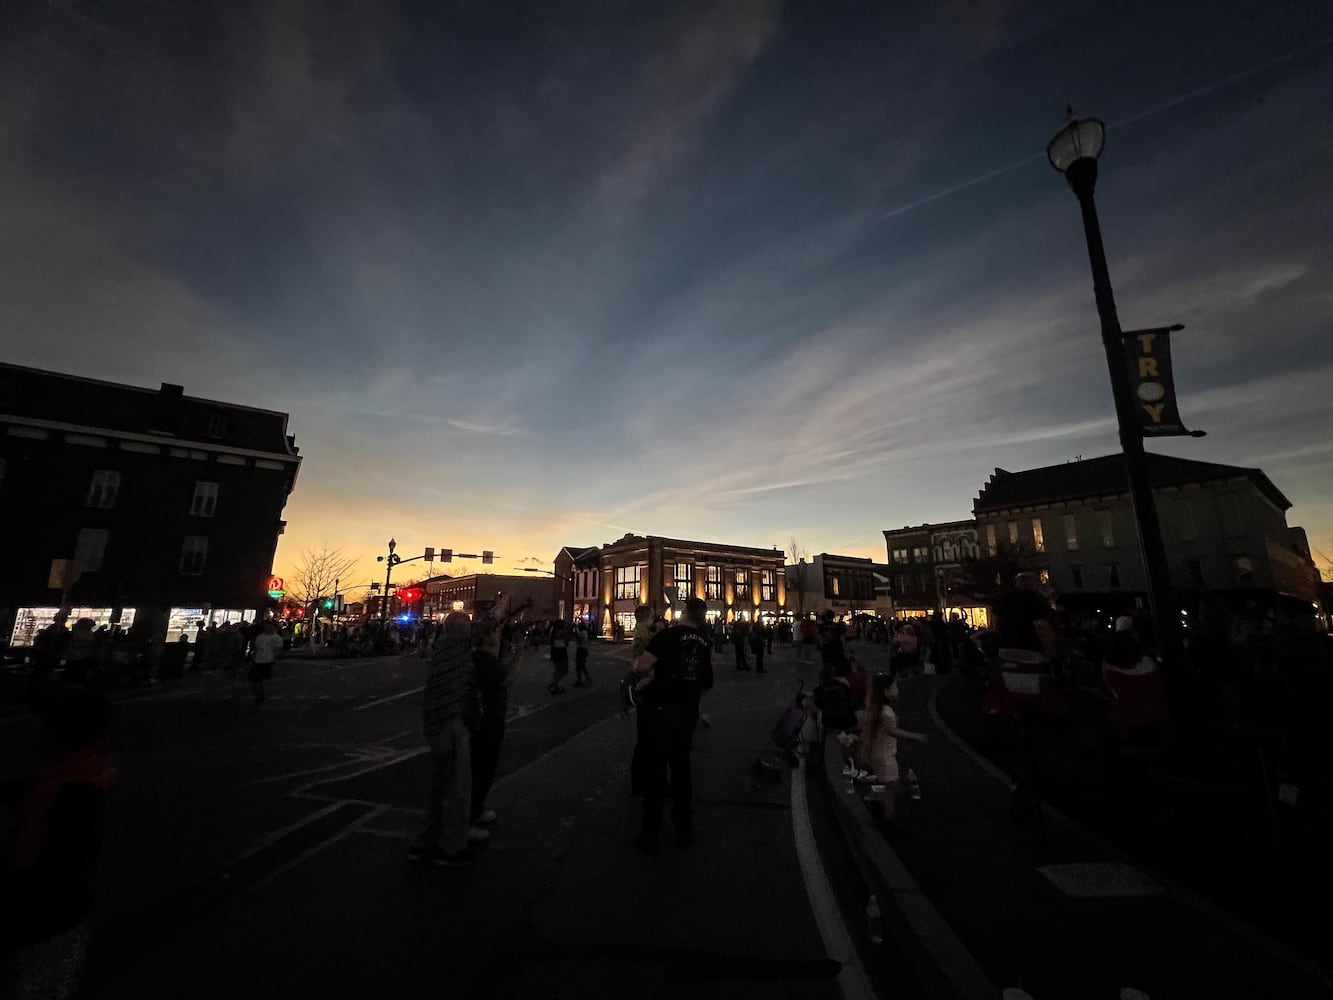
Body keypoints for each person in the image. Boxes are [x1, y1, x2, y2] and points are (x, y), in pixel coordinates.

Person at [2, 692, 114, 999]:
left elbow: (66, 865)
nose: (36, 735)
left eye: (43, 727)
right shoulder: (74, 774)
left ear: (56, 736)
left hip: (47, 918)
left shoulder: (74, 792)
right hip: (55, 914)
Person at [632, 597, 713, 853]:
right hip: (687, 712)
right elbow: (707, 681)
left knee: (656, 773)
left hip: (660, 710)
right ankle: (684, 828)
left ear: (684, 612)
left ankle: (651, 835)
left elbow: (643, 665)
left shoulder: (667, 636)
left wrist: (644, 672)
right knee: (681, 771)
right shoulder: (704, 642)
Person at [407, 613, 482, 867]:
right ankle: (452, 848)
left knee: (438, 786)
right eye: (468, 627)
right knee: (457, 787)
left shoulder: (441, 650)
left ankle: (425, 840)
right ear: (462, 632)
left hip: (435, 725)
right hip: (452, 724)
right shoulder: (461, 653)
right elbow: (488, 625)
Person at [860, 672, 928, 823]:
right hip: (885, 756)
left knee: (889, 785)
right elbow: (893, 731)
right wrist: (915, 736)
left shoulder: (877, 708)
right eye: (894, 686)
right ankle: (885, 819)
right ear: (886, 691)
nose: (897, 689)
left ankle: (875, 802)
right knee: (892, 789)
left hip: (877, 753)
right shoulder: (887, 712)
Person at [469, 622, 515, 840]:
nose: (498, 634)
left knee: (481, 766)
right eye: (494, 631)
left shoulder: (482, 658)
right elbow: (506, 679)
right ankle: (469, 818)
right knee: (483, 767)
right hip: (488, 719)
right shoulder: (484, 660)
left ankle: (476, 810)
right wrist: (518, 657)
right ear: (486, 636)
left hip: (486, 717)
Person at [995, 572, 1056, 656]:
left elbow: (997, 621)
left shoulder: (1005, 598)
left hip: (1005, 648)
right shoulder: (1034, 599)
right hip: (1029, 649)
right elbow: (1041, 625)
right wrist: (1049, 648)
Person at [248, 622, 284, 705]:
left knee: (264, 679)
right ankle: (259, 694)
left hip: (268, 660)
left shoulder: (276, 638)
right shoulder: (260, 637)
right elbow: (256, 648)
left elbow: (278, 650)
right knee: (256, 679)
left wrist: (275, 659)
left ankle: (262, 694)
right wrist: (253, 656)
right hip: (258, 660)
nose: (268, 628)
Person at [817, 611, 848, 680]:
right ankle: (837, 679)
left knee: (826, 665)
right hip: (837, 648)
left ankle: (827, 678)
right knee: (837, 665)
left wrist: (821, 647)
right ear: (833, 617)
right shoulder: (837, 626)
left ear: (826, 617)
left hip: (826, 648)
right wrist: (844, 647)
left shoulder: (822, 626)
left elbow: (820, 638)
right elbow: (842, 637)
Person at [547, 621, 570, 695]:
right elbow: (566, 642)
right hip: (561, 650)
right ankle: (554, 683)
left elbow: (550, 641)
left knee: (557, 669)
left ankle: (555, 685)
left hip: (554, 650)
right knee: (565, 669)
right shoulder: (563, 631)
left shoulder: (552, 630)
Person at [572, 623, 592, 687]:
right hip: (584, 649)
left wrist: (575, 633)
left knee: (580, 665)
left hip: (581, 649)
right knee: (581, 666)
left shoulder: (582, 633)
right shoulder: (585, 632)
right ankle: (583, 679)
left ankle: (584, 679)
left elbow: (579, 641)